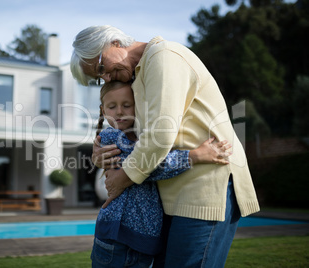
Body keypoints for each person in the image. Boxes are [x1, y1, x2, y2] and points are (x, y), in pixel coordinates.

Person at [71, 25, 260, 267]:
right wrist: (104, 156)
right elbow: (137, 139)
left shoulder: (164, 57)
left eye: (100, 67)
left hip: (204, 184)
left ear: (114, 42)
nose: (106, 77)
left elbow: (160, 134)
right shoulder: (138, 76)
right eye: (99, 78)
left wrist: (123, 177)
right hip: (172, 192)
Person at [92, 80, 231, 267]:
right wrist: (196, 155)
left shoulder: (141, 136)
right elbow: (149, 167)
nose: (119, 112)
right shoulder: (113, 138)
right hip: (119, 240)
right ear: (103, 111)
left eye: (127, 105)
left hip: (139, 240)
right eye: (111, 106)